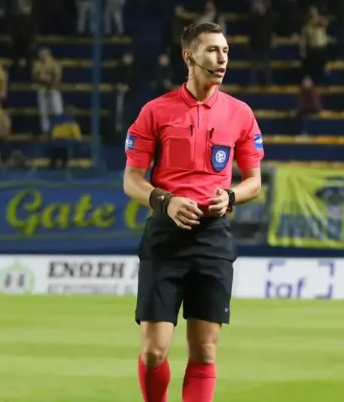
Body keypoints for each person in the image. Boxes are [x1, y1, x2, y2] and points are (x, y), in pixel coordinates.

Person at [123, 22, 265, 402]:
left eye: (226, 51)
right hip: (165, 237)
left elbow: (254, 182)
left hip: (213, 237)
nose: (222, 59)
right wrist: (165, 201)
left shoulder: (240, 113)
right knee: (154, 351)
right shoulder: (155, 111)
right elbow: (132, 180)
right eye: (213, 50)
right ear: (189, 56)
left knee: (204, 350)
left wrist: (230, 197)